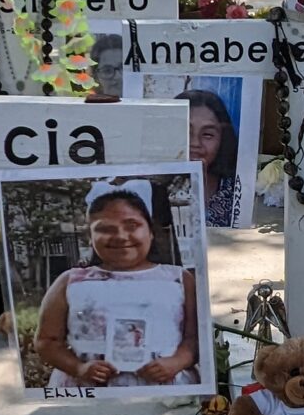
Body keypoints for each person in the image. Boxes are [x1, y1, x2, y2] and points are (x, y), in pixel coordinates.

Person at [34, 180, 201, 394]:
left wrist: (176, 362)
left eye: (132, 226)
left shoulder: (178, 279)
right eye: (105, 229)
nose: (121, 236)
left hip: (165, 391)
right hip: (89, 393)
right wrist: (79, 367)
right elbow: (47, 341)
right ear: (90, 236)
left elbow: (193, 338)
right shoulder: (71, 281)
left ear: (150, 231)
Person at [184, 86, 244, 225]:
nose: (195, 143)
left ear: (222, 140)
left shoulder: (236, 191)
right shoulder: (149, 187)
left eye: (207, 135)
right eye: (186, 130)